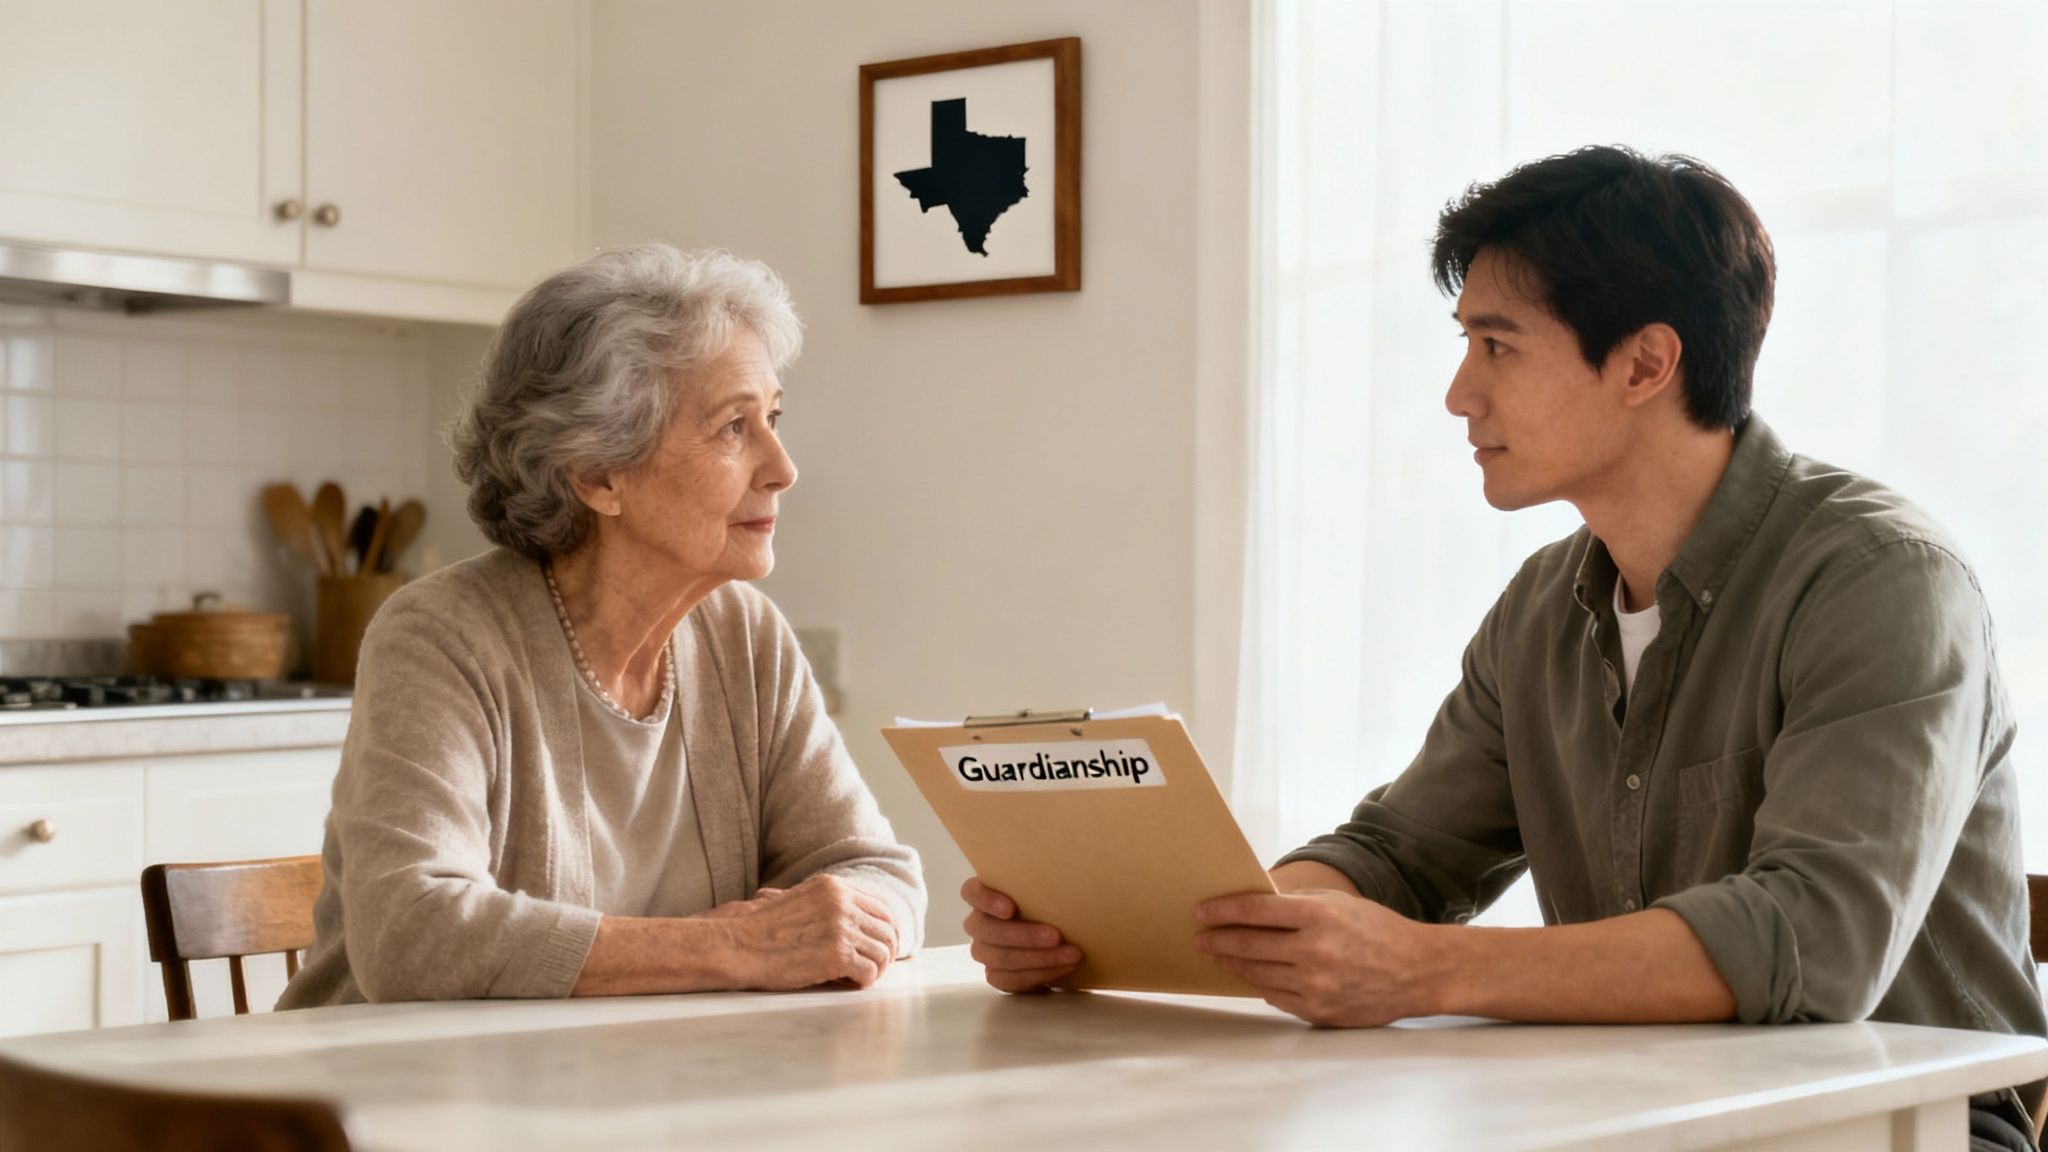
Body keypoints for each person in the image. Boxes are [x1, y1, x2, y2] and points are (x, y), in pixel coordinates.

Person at [960, 147, 2046, 1148]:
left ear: (1643, 363)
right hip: (1653, 1109)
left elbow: (1813, 942)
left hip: (1913, 1125)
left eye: (1496, 345)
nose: (1456, 394)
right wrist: (1160, 926)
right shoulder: (1541, 607)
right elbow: (1398, 858)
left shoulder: (1879, 581)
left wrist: (1420, 971)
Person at [280, 244, 924, 1007]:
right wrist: (736, 945)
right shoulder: (441, 636)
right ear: (596, 475)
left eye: (773, 418)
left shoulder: (745, 636)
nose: (782, 466)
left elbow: (877, 873)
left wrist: (828, 923)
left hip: (640, 1091)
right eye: (732, 428)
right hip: (397, 1105)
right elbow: (416, 937)